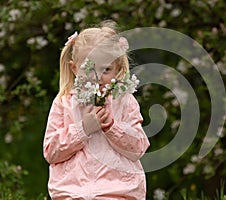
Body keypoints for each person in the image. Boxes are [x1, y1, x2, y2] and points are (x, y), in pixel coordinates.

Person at [43, 20, 150, 200]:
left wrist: (112, 128)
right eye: (90, 69)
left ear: (117, 69)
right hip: (72, 193)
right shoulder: (64, 103)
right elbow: (51, 152)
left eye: (106, 69)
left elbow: (138, 148)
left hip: (118, 192)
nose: (98, 77)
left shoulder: (124, 101)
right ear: (74, 68)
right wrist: (82, 129)